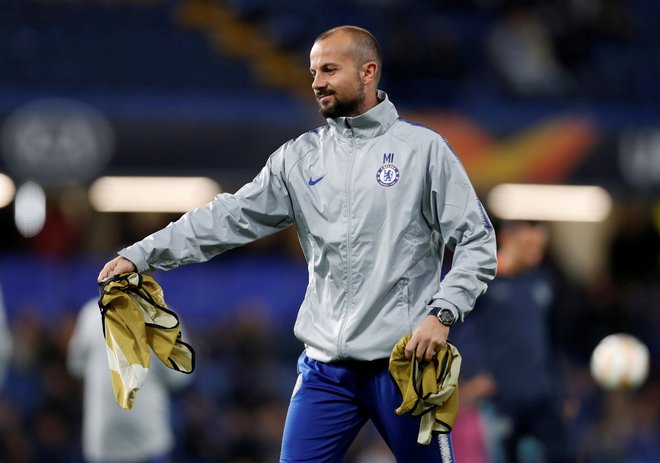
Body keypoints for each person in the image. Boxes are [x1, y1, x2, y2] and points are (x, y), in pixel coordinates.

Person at [98, 25, 497, 462]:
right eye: (312, 72)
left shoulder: (424, 151)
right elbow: (227, 217)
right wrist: (141, 254)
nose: (317, 82)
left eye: (329, 69)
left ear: (369, 72)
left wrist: (442, 314)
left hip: (404, 364)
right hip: (325, 368)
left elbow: (477, 241)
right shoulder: (299, 158)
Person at [451, 220, 574, 463]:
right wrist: (474, 371)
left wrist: (561, 394)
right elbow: (460, 332)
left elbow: (551, 341)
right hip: (501, 396)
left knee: (562, 454)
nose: (536, 253)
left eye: (540, 247)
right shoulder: (482, 281)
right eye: (529, 245)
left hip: (542, 394)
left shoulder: (543, 282)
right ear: (507, 239)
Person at [67, 297, 193, 463]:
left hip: (106, 442)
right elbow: (181, 377)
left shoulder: (91, 313)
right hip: (145, 440)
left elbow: (76, 367)